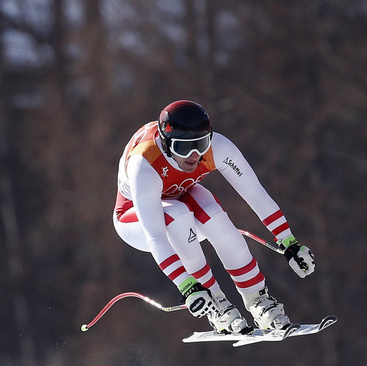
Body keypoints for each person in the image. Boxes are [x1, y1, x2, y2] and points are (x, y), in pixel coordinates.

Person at [113, 100, 315, 334]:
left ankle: (258, 300)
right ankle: (215, 305)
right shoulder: (145, 163)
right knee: (176, 214)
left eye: (200, 144)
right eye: (183, 148)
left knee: (211, 211)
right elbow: (155, 237)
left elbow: (256, 194)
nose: (194, 155)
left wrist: (289, 242)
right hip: (135, 220)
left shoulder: (217, 147)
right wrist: (187, 285)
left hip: (180, 198)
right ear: (167, 144)